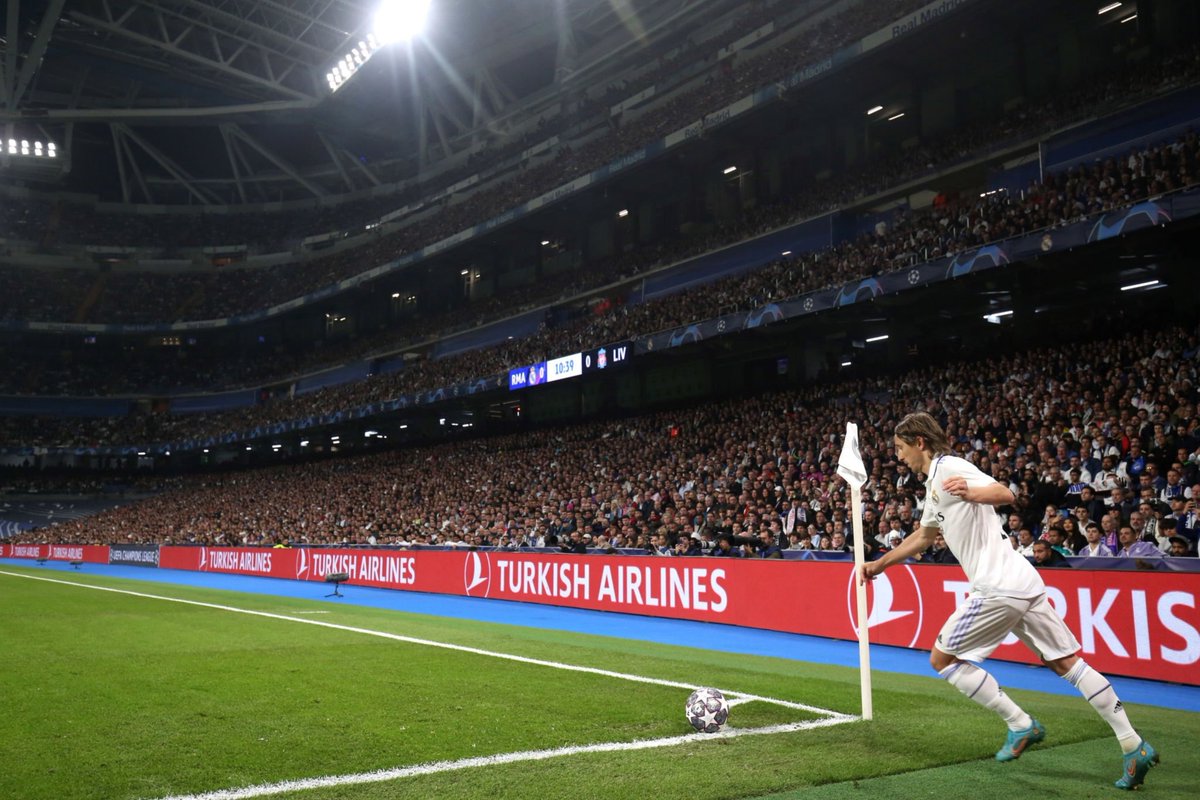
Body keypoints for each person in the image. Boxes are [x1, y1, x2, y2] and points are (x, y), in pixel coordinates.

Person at [859, 412, 1157, 789]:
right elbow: (923, 536)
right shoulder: (934, 484)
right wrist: (880, 564)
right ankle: (1133, 745)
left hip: (996, 586)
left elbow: (1005, 493)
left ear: (920, 442)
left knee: (942, 659)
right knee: (1067, 663)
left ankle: (1021, 724)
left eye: (901, 449)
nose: (899, 457)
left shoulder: (950, 465)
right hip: (1022, 581)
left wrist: (972, 492)